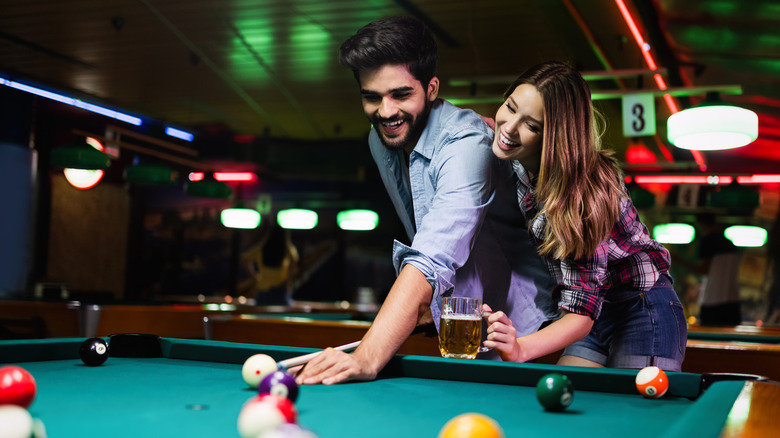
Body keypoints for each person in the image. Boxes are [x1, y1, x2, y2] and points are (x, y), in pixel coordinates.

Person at [295, 16, 557, 385]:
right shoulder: (381, 139)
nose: (386, 111)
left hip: (531, 329)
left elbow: (432, 256)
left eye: (401, 94)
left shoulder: (467, 145)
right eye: (372, 97)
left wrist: (368, 357)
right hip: (471, 329)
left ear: (431, 88)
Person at [483, 61, 687, 371]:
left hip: (643, 308)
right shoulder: (517, 153)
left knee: (634, 415)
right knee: (573, 402)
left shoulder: (583, 196)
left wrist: (520, 348)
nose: (510, 127)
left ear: (554, 137)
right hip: (592, 311)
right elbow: (478, 124)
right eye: (510, 107)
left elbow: (580, 316)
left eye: (532, 125)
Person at [674, 213, 741, 325]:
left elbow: (704, 269)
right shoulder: (730, 244)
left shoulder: (708, 241)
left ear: (701, 224)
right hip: (732, 304)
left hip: (713, 303)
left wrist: (680, 261)